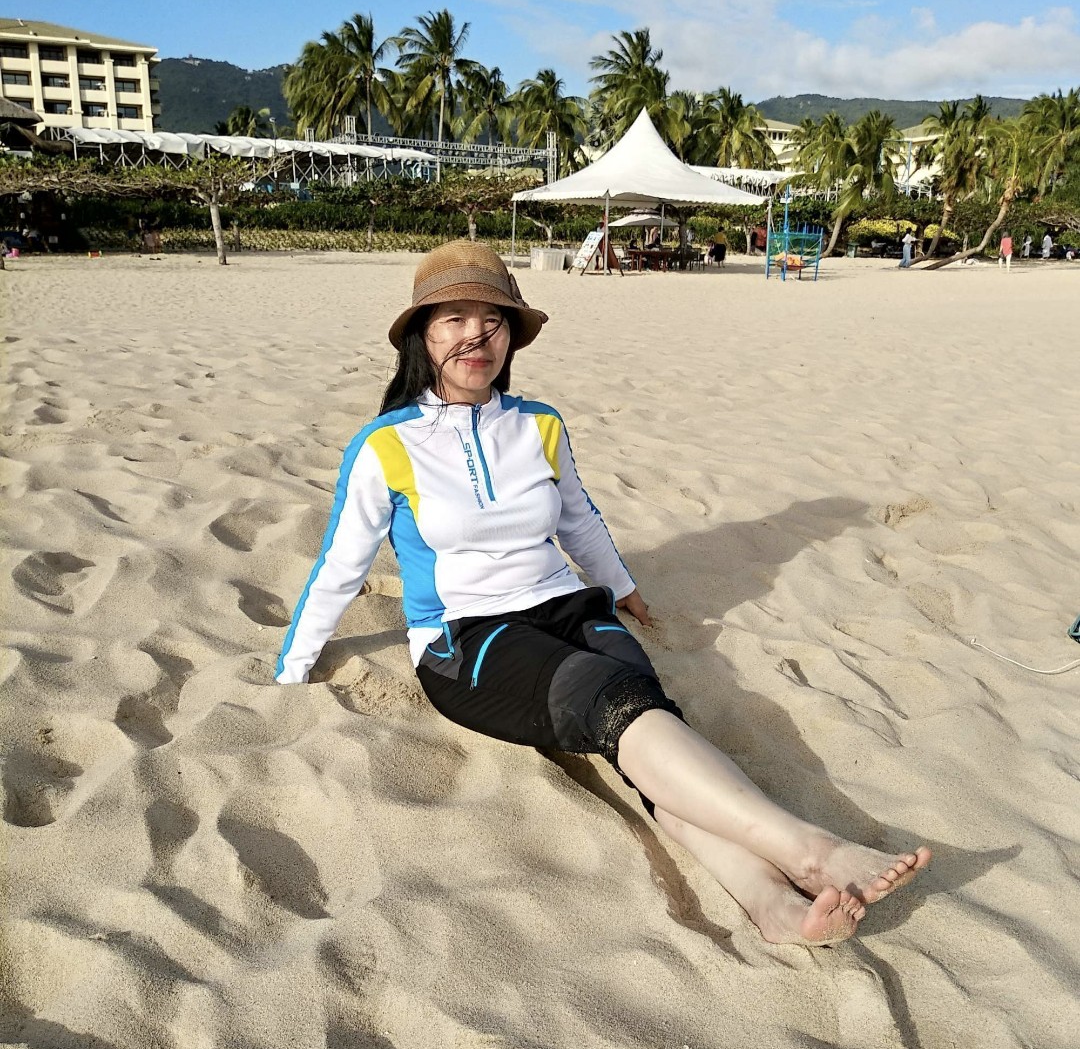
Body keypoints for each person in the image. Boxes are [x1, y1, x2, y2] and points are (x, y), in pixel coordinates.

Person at [276, 242, 930, 949]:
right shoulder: (385, 445)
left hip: (566, 606)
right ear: (421, 337)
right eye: (454, 319)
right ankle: (811, 852)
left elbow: (579, 520)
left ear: (510, 336)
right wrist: (294, 665)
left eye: (493, 320)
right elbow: (340, 562)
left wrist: (622, 589)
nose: (476, 337)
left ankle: (770, 904)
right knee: (613, 701)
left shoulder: (539, 424)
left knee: (651, 728)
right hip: (466, 635)